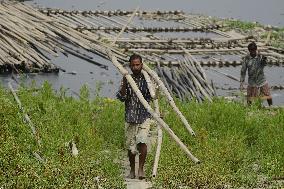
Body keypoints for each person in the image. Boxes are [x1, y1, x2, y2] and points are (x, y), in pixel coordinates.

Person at [116, 54, 152, 180]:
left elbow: (152, 96)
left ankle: (141, 169)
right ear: (130, 66)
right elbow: (121, 98)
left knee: (142, 141)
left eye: (138, 65)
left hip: (144, 116)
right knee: (131, 146)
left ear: (142, 65)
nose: (136, 67)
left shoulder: (147, 79)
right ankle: (132, 170)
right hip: (130, 117)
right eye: (133, 65)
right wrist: (125, 84)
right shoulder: (127, 79)